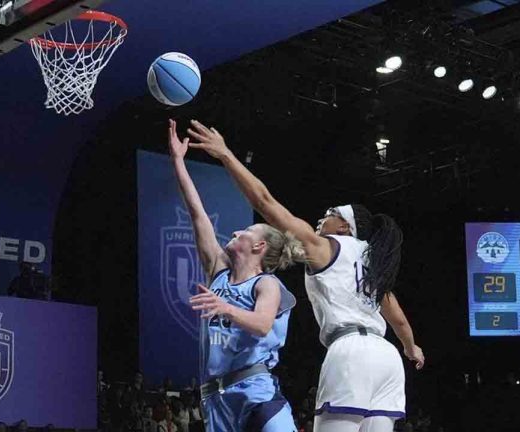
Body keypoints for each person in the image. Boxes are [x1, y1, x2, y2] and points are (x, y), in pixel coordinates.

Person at [185, 120, 425, 432]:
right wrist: (411, 348)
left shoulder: (324, 247)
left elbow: (265, 203)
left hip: (351, 352)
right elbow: (399, 321)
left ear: (345, 227)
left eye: (332, 214)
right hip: (387, 359)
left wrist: (226, 155)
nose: (323, 216)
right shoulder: (373, 264)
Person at [168, 119, 307, 431]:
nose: (234, 232)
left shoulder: (266, 284)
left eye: (244, 230)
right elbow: (197, 213)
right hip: (216, 399)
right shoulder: (218, 271)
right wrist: (177, 161)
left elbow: (262, 324)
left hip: (255, 392)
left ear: (258, 245)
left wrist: (226, 308)